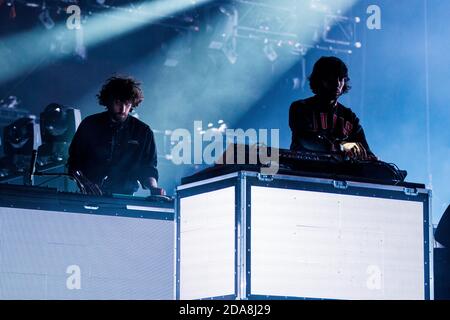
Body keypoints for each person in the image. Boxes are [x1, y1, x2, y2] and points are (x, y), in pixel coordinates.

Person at [67, 76, 164, 195]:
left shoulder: (143, 131)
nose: (123, 109)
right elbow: (74, 162)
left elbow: (148, 168)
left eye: (127, 104)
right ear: (108, 100)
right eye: (118, 102)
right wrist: (85, 183)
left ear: (132, 104)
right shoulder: (89, 124)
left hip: (124, 196)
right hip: (87, 195)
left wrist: (153, 188)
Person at [289, 56, 376, 161]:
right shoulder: (300, 108)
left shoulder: (350, 117)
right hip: (303, 173)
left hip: (338, 175)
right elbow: (306, 139)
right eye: (332, 77)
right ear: (320, 79)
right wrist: (342, 146)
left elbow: (365, 152)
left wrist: (371, 160)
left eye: (341, 79)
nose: (338, 83)